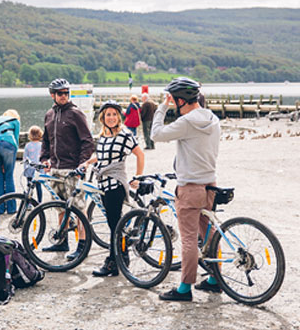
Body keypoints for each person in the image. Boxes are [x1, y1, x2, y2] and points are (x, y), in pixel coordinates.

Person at [151, 77, 221, 302]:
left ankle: (184, 288)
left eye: (174, 99)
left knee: (189, 239)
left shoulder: (187, 122)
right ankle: (214, 279)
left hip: (190, 187)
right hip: (210, 184)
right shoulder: (213, 118)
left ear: (179, 100)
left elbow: (156, 134)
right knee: (208, 233)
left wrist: (163, 106)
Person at [80, 100, 144, 276]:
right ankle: (122, 257)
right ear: (102, 117)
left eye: (114, 114)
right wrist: (87, 162)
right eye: (108, 114)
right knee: (115, 223)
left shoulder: (124, 136)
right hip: (103, 184)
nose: (111, 117)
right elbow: (102, 156)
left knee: (114, 225)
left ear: (119, 117)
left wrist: (137, 177)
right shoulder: (103, 137)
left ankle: (112, 263)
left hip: (115, 183)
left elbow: (140, 154)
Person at [40, 78, 94, 260]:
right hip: (55, 168)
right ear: (52, 95)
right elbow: (46, 140)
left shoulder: (75, 114)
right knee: (60, 207)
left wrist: (82, 163)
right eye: (60, 93)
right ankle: (62, 241)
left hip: (72, 168)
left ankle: (83, 245)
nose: (64, 96)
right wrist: (44, 159)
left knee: (79, 208)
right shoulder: (49, 114)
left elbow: (88, 141)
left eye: (66, 93)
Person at [0, 109, 20, 214]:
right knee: (9, 176)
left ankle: (0, 209)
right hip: (8, 145)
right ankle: (11, 208)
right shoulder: (15, 121)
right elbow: (16, 138)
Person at [23, 125, 43, 203]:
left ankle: (29, 203)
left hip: (29, 169)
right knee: (38, 187)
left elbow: (25, 158)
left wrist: (25, 169)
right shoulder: (42, 145)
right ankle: (39, 202)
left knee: (29, 187)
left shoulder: (27, 145)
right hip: (38, 169)